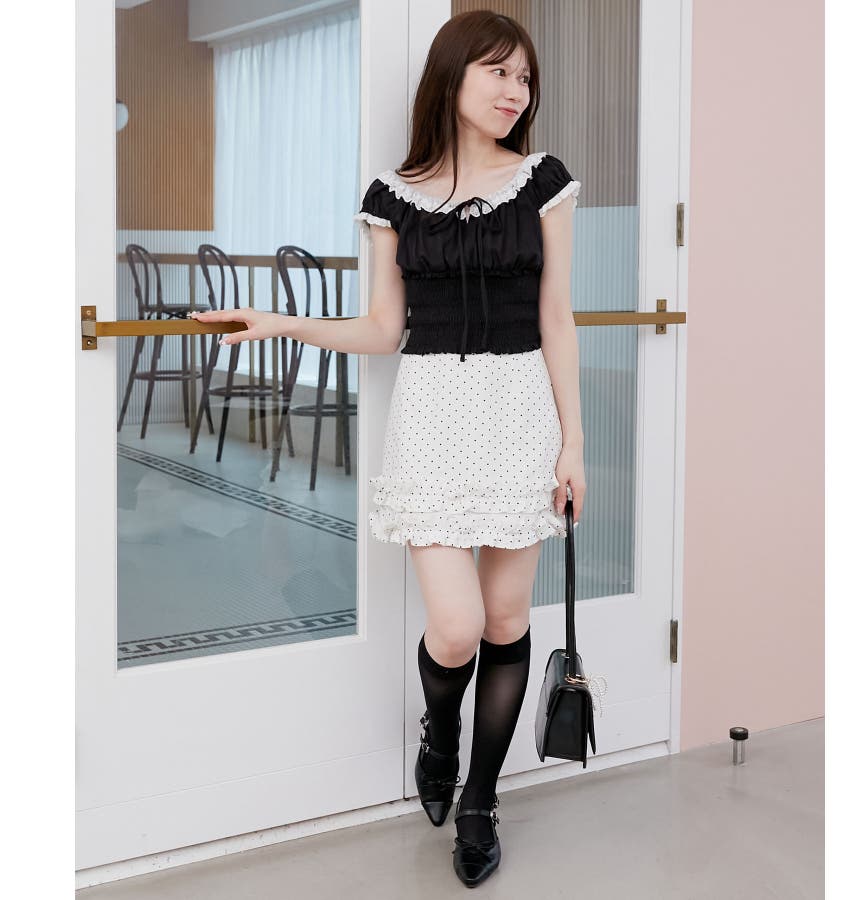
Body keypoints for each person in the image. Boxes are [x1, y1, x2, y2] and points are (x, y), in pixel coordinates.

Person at [190, 9, 586, 889]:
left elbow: (557, 318)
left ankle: (479, 800)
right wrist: (282, 322)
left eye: (524, 77)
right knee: (457, 627)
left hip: (522, 413)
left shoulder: (545, 183)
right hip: (433, 415)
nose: (515, 91)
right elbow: (382, 328)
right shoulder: (392, 196)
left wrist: (575, 442)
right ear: (452, 76)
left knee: (506, 620)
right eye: (498, 72)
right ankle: (440, 733)